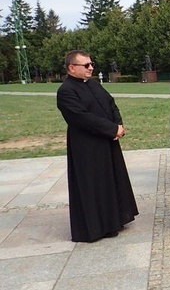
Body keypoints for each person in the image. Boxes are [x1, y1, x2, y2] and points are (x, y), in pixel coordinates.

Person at [56, 50, 138, 242]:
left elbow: (111, 104)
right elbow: (81, 118)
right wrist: (112, 129)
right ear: (71, 68)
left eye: (91, 64)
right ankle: (98, 226)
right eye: (86, 65)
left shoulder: (93, 84)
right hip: (87, 146)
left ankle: (116, 218)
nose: (91, 68)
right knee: (94, 184)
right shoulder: (66, 91)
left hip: (107, 140)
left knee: (111, 179)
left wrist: (119, 125)